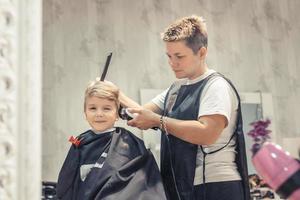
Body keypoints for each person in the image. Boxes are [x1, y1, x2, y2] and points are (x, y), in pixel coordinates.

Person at [114, 15, 250, 200]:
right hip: (185, 185)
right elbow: (143, 113)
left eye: (179, 56)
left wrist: (157, 121)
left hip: (216, 187)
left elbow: (207, 134)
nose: (172, 63)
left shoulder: (215, 86)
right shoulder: (176, 89)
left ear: (201, 53)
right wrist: (114, 94)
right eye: (169, 56)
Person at [56, 80, 167, 200]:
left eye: (106, 109)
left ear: (117, 114)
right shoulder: (80, 143)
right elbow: (66, 185)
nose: (99, 114)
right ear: (85, 113)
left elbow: (144, 186)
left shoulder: (128, 143)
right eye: (93, 108)